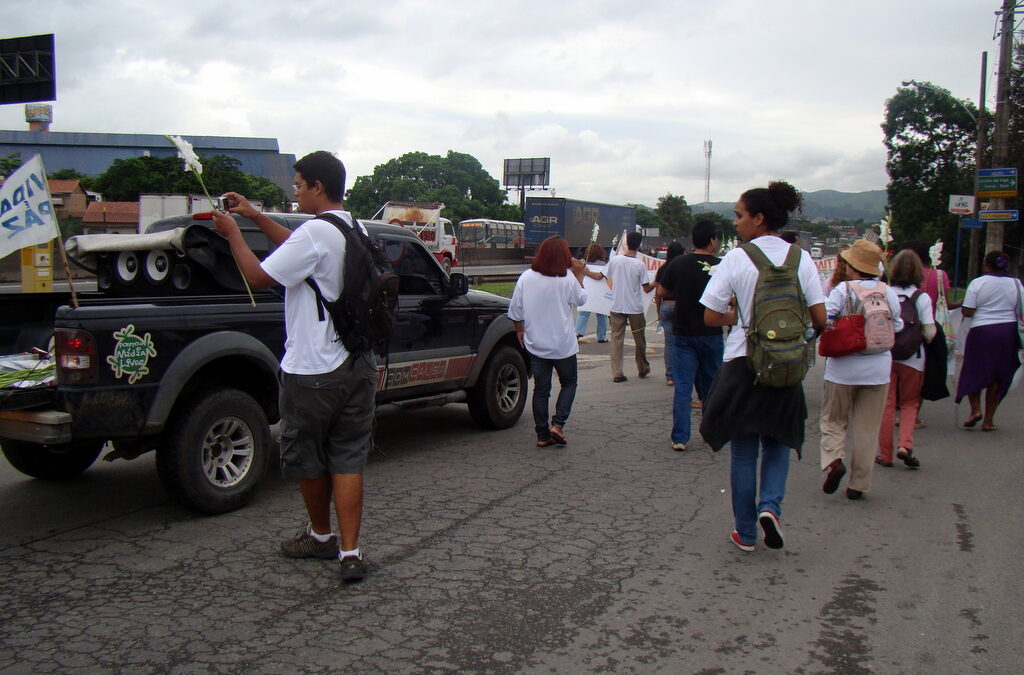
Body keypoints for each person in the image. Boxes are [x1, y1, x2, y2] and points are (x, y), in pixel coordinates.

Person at [211, 151, 374, 582]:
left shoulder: (317, 232)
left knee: (307, 456)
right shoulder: (350, 226)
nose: (296, 191)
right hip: (356, 363)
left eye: (299, 184)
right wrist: (252, 214)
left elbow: (260, 276)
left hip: (312, 370)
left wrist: (232, 232)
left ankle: (321, 537)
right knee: (348, 457)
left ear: (318, 186)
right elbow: (293, 245)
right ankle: (351, 552)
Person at [699, 181, 826, 552]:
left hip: (743, 363)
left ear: (758, 218)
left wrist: (738, 318)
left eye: (739, 216)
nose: (735, 223)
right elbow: (820, 316)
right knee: (778, 443)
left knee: (743, 451)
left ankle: (746, 532)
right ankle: (770, 507)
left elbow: (709, 316)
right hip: (785, 365)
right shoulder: (802, 259)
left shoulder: (738, 258)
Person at [819, 239, 903, 501]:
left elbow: (825, 318)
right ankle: (859, 484)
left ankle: (834, 460)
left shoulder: (843, 290)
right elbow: (897, 325)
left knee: (833, 419)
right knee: (867, 428)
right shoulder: (887, 291)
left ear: (853, 265)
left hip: (843, 368)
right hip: (878, 368)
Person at [508, 236, 588, 447]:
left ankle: (542, 435)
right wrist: (579, 274)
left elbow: (516, 310)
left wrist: (519, 330)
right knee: (569, 382)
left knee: (541, 389)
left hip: (536, 343)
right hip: (563, 345)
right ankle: (558, 424)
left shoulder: (526, 277)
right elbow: (581, 300)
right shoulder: (567, 278)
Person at [658, 222, 723, 451]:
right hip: (712, 333)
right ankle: (710, 432)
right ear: (712, 240)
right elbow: (732, 298)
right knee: (711, 385)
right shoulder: (720, 266)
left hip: (683, 331)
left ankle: (680, 437)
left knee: (683, 386)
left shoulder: (679, 263)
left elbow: (662, 291)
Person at [876, 249, 935, 469]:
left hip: (885, 355)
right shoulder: (922, 298)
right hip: (913, 358)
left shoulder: (884, 293)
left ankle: (885, 453)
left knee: (887, 403)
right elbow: (929, 332)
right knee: (910, 402)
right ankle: (905, 445)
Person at [955, 250, 1023, 431]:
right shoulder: (1016, 284)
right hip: (1008, 332)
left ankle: (975, 410)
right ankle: (989, 420)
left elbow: (968, 311)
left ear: (986, 265)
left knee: (974, 369)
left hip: (981, 331)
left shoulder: (978, 283)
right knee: (999, 376)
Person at [606, 231, 655, 382]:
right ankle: (642, 367)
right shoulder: (640, 265)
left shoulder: (615, 260)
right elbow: (646, 288)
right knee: (639, 340)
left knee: (616, 339)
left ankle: (617, 372)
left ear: (626, 243)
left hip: (617, 306)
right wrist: (656, 282)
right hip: (635, 308)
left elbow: (607, 278)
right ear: (639, 245)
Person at [654, 241, 685, 385]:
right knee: (682, 343)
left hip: (666, 307)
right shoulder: (683, 268)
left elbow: (658, 294)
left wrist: (659, 311)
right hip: (680, 308)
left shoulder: (663, 269)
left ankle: (670, 376)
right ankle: (681, 374)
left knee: (669, 344)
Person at [574, 243, 610, 343]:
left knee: (584, 312)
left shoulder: (583, 263)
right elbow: (600, 277)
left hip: (586, 289)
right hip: (599, 292)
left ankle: (577, 332)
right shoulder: (603, 264)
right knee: (601, 313)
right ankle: (601, 336)